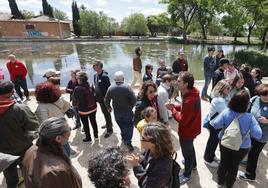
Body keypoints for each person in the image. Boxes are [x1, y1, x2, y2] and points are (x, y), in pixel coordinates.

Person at [212, 90, 262, 188]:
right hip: (242, 147)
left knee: (223, 163)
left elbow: (216, 125)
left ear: (233, 100)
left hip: (225, 142)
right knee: (234, 166)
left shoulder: (226, 112)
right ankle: (229, 184)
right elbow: (258, 134)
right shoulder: (250, 117)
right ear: (247, 104)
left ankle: (220, 182)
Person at [22, 117, 82, 188]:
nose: (70, 129)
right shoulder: (56, 172)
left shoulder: (31, 149)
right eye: (68, 129)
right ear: (58, 138)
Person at [0, 80, 39, 188]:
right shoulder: (20, 108)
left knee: (11, 180)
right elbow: (34, 126)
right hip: (24, 148)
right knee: (29, 174)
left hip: (4, 152)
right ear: (13, 91)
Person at [166, 71, 201, 185]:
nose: (177, 82)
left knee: (187, 152)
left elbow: (183, 120)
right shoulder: (192, 93)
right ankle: (193, 165)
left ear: (186, 84)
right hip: (193, 128)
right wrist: (176, 106)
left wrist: (172, 110)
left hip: (187, 131)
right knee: (190, 147)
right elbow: (185, 108)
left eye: (179, 81)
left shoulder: (189, 99)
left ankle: (187, 173)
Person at [128, 123, 173, 188]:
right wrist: (140, 161)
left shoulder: (163, 166)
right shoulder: (150, 149)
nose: (140, 139)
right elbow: (147, 163)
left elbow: (147, 186)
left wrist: (136, 166)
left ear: (154, 143)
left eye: (143, 138)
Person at [238, 84, 268, 182]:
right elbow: (246, 109)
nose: (266, 96)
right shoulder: (255, 99)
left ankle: (250, 175)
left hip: (262, 136)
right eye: (264, 94)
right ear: (259, 93)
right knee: (249, 148)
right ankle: (247, 162)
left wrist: (267, 121)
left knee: (254, 154)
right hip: (250, 132)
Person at [34, 81, 72, 157]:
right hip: (63, 130)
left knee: (61, 158)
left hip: (54, 138)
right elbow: (67, 106)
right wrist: (60, 113)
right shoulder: (59, 100)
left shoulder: (41, 108)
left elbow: (44, 126)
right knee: (67, 152)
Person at [105, 71, 137, 151]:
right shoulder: (127, 87)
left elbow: (106, 100)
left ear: (115, 79)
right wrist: (132, 106)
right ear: (123, 78)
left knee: (121, 125)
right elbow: (134, 100)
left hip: (117, 112)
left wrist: (108, 107)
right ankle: (128, 142)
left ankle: (123, 136)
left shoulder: (110, 88)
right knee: (129, 126)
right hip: (127, 111)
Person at [203, 80, 231, 168]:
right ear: (222, 89)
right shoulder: (219, 100)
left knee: (213, 141)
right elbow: (226, 113)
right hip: (216, 125)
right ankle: (208, 159)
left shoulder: (221, 97)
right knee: (212, 141)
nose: (229, 90)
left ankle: (211, 155)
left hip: (216, 123)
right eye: (228, 88)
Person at [73, 72, 98, 143]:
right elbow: (93, 93)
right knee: (93, 122)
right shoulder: (90, 84)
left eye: (77, 78)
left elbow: (75, 99)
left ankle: (88, 138)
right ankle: (96, 136)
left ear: (80, 79)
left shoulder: (77, 88)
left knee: (85, 124)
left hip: (83, 110)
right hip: (93, 108)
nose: (77, 80)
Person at [93, 61, 113, 138]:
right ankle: (108, 123)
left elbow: (109, 88)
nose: (94, 67)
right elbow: (96, 85)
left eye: (96, 65)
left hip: (105, 98)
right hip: (99, 97)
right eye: (94, 65)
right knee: (104, 112)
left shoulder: (105, 76)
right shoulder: (95, 75)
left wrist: (107, 99)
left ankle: (109, 130)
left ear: (100, 66)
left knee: (107, 112)